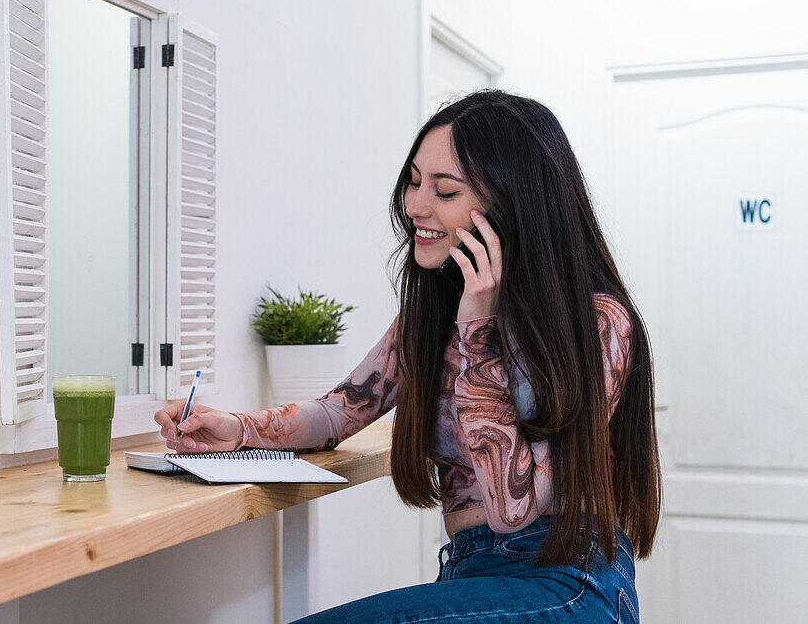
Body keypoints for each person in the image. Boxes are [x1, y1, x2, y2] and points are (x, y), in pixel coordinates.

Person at [153, 89, 661, 623]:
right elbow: (337, 413)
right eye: (414, 182)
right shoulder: (431, 315)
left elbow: (514, 509)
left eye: (444, 190)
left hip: (567, 585)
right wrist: (237, 429)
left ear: (512, 204)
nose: (415, 205)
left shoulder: (598, 322)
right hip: (471, 575)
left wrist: (478, 328)